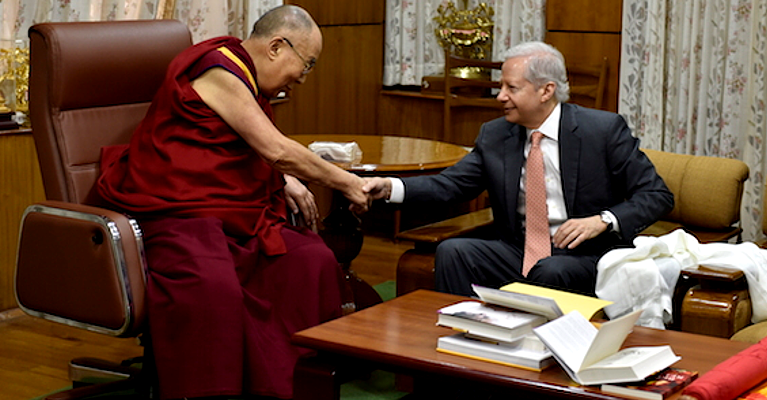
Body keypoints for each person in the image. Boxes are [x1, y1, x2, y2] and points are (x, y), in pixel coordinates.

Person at [96, 5, 370, 400]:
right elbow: (273, 148)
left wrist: (283, 177)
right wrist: (346, 182)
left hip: (230, 212)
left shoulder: (246, 78)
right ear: (277, 46)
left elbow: (253, 151)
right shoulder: (218, 69)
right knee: (212, 286)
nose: (302, 80)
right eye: (306, 65)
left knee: (310, 260)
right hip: (177, 211)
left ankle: (297, 381)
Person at [364, 41, 673, 297]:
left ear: (546, 91)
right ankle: (467, 344)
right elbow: (451, 185)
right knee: (454, 251)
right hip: (518, 252)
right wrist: (390, 188)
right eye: (501, 86)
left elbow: (656, 194)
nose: (500, 97)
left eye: (511, 87)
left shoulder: (602, 131)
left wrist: (602, 221)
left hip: (586, 256)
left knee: (552, 269)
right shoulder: (496, 135)